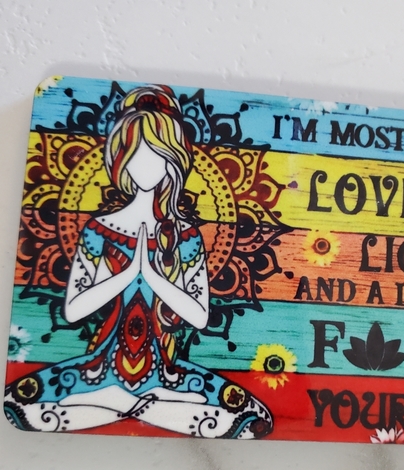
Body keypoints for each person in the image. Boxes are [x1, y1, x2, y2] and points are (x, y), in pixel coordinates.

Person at [5, 85, 273, 439]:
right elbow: (74, 310)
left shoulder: (187, 235)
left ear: (172, 161)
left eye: (156, 155)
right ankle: (125, 404)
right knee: (24, 405)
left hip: (167, 373)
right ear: (120, 160)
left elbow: (199, 316)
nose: (145, 165)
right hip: (100, 367)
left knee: (240, 417)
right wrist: (129, 273)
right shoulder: (98, 229)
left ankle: (131, 405)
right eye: (135, 154)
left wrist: (153, 275)